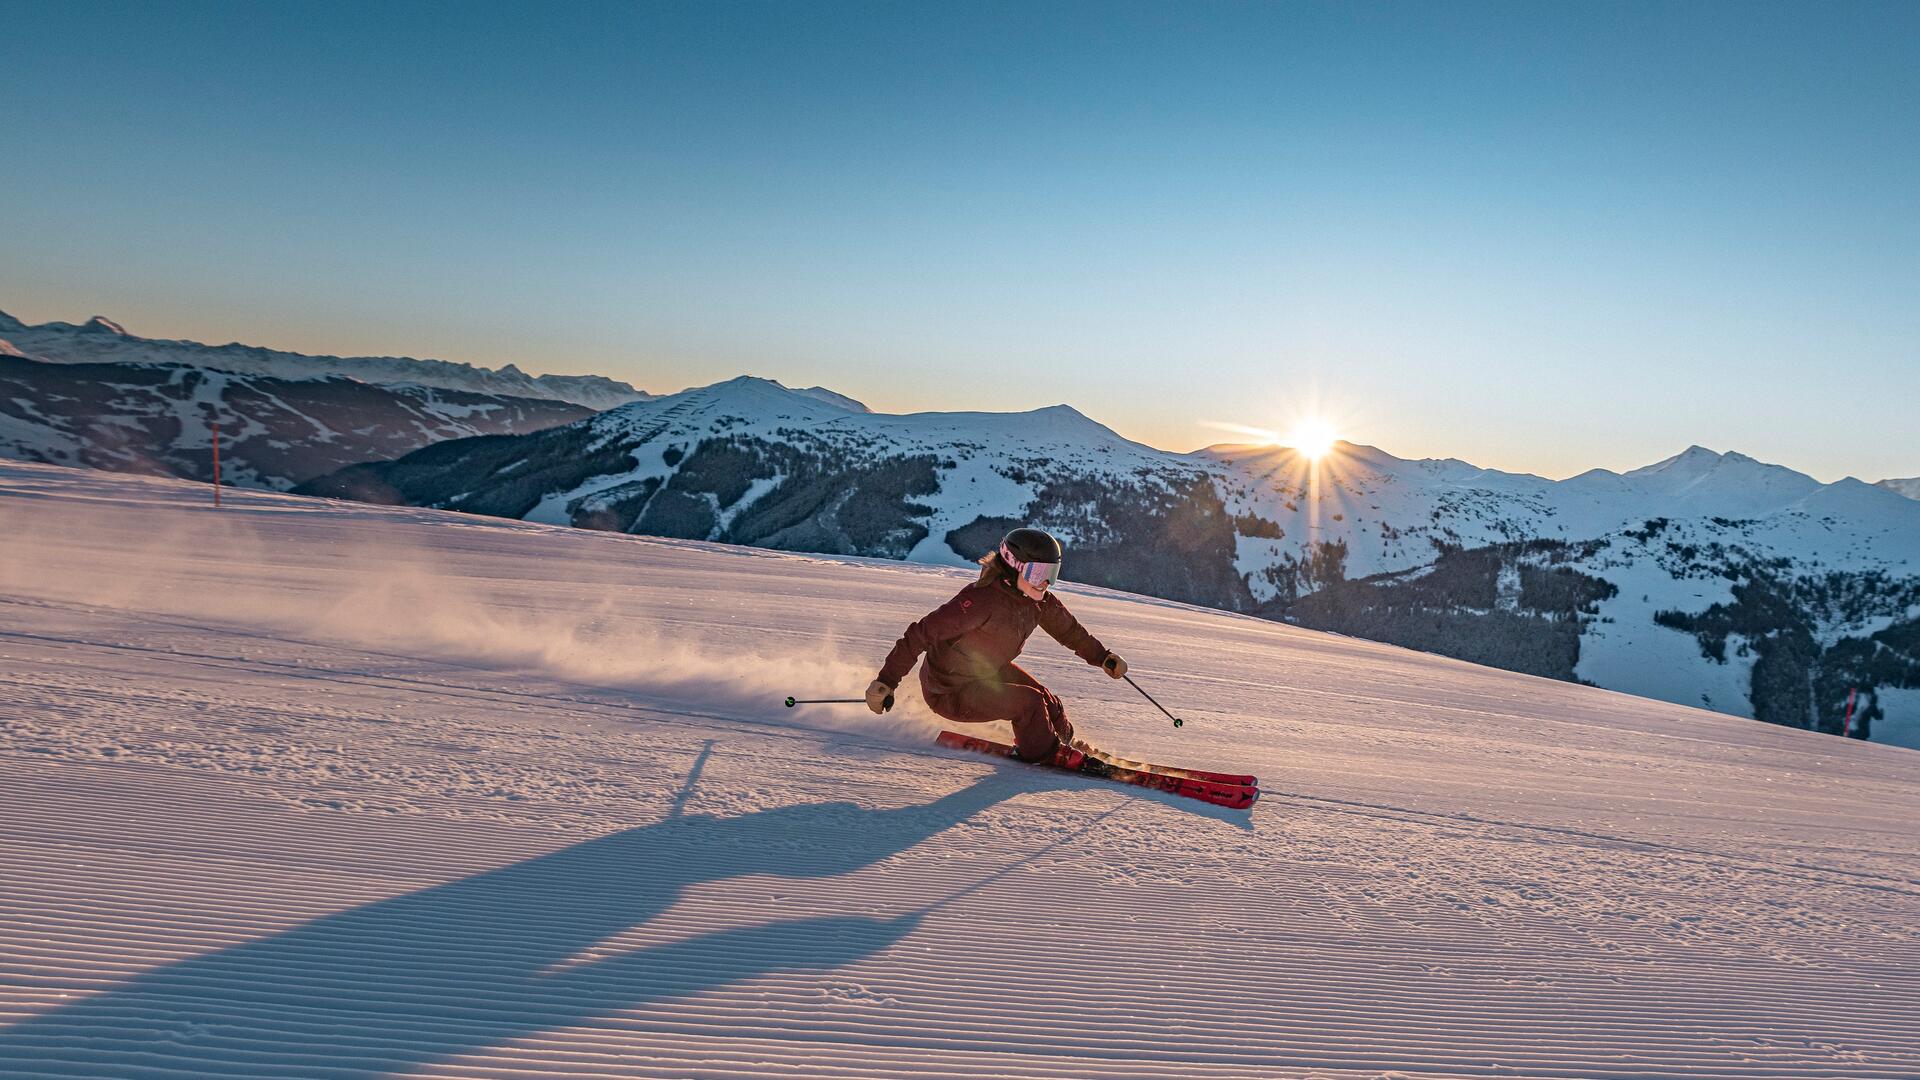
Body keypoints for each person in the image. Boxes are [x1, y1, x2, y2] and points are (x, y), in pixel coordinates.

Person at [866, 527, 1127, 762]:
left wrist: (1102, 657)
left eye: (1051, 574)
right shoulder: (980, 601)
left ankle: (1065, 744)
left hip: (985, 672)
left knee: (1049, 702)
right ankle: (1045, 753)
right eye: (1038, 573)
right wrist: (886, 682)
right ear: (1015, 566)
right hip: (949, 691)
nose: (1045, 582)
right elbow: (920, 634)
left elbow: (1069, 631)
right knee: (1030, 703)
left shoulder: (1039, 601)